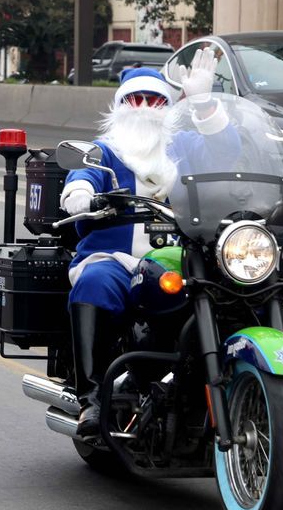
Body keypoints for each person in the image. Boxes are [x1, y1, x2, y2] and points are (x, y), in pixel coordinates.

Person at [58, 59, 225, 435]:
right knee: (95, 282)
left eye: (155, 100)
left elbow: (224, 153)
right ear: (121, 107)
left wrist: (203, 104)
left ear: (168, 108)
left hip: (181, 259)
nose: (146, 108)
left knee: (232, 286)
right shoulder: (106, 150)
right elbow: (83, 172)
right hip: (117, 259)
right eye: (136, 100)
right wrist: (80, 191)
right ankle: (93, 398)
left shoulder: (182, 146)